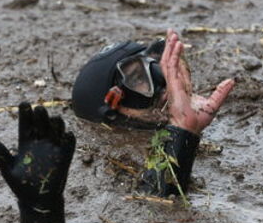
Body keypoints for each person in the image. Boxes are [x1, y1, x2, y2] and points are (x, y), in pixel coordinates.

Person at [71, 29, 235, 197]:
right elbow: (158, 205)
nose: (160, 80)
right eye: (137, 78)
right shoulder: (113, 168)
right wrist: (182, 129)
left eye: (155, 65)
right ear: (112, 113)